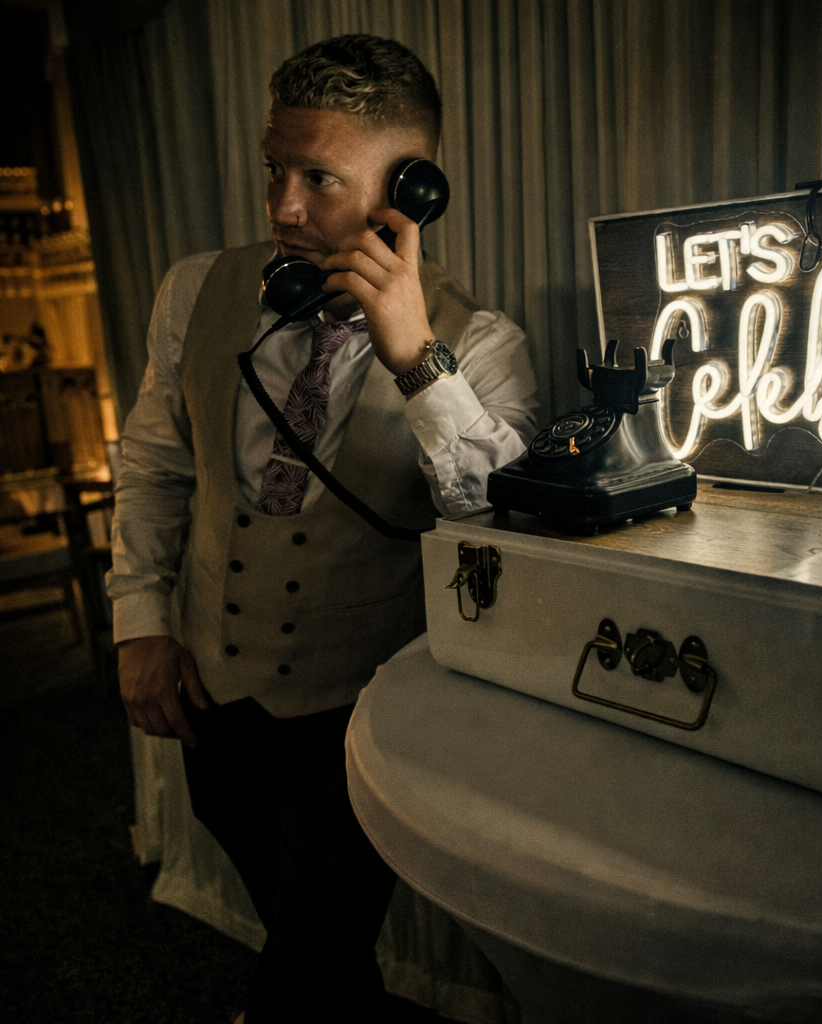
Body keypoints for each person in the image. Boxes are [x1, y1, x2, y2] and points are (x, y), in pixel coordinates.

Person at [108, 34, 538, 1023]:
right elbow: (156, 468)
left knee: (314, 947)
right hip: (214, 699)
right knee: (317, 947)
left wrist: (416, 359)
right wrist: (139, 621)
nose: (281, 208)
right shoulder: (194, 292)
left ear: (410, 189)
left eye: (318, 178)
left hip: (369, 718)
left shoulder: (481, 343)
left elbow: (498, 532)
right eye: (274, 170)